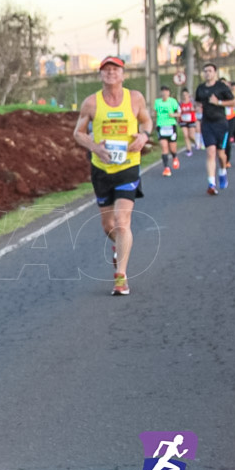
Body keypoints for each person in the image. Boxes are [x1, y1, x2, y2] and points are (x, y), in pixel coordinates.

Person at [73, 56, 152, 296]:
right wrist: (96, 147)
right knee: (108, 225)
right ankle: (119, 246)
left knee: (122, 221)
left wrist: (144, 136)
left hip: (128, 166)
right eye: (106, 70)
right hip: (101, 168)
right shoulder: (91, 103)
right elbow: (78, 133)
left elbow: (146, 121)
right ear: (100, 76)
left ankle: (121, 277)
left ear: (123, 74)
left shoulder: (135, 98)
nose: (110, 73)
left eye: (115, 69)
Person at [195, 63, 235, 195]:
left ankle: (223, 172)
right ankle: (211, 184)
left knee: (220, 154)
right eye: (205, 71)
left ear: (215, 73)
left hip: (221, 124)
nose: (207, 73)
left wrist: (218, 102)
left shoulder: (221, 87)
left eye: (210, 71)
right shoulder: (200, 88)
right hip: (207, 124)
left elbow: (234, 102)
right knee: (210, 152)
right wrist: (197, 108)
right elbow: (197, 102)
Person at [153, 85, 181, 176]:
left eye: (166, 91)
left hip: (171, 126)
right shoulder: (157, 102)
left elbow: (179, 113)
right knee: (164, 147)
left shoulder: (173, 102)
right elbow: (155, 113)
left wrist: (174, 115)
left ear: (169, 93)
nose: (164, 93)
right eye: (163, 91)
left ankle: (175, 157)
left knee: (172, 148)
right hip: (161, 126)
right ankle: (166, 168)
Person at [178, 87, 199, 156]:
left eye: (186, 95)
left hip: (191, 120)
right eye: (183, 95)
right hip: (183, 120)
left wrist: (194, 109)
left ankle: (195, 142)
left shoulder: (192, 102)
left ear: (188, 95)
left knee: (191, 135)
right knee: (185, 135)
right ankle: (189, 150)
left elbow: (197, 109)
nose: (184, 96)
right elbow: (178, 112)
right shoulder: (180, 103)